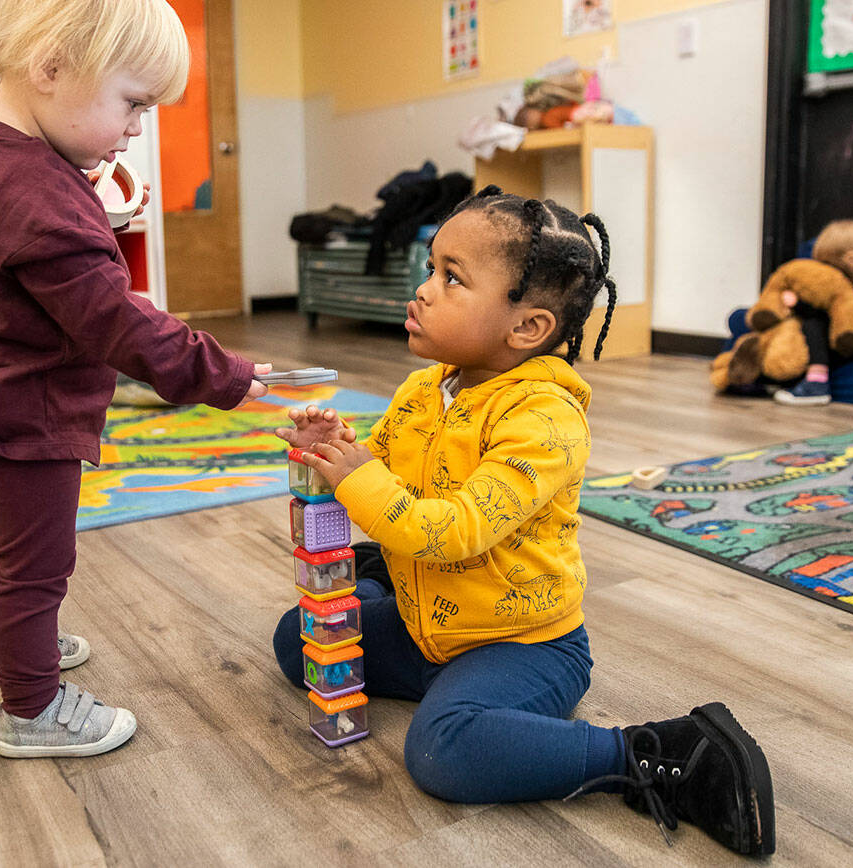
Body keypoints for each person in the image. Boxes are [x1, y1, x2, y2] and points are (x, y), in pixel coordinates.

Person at [273, 188, 775, 856]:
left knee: (443, 752)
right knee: (299, 640)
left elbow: (453, 531)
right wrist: (336, 448)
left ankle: (653, 756)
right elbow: (381, 468)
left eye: (452, 278)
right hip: (435, 628)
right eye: (431, 268)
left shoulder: (546, 420)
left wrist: (361, 480)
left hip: (526, 644)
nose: (423, 290)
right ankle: (389, 581)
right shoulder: (424, 390)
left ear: (528, 328)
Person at [0, 0, 270, 758]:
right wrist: (223, 374)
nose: (138, 126)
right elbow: (117, 321)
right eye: (133, 103)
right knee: (37, 569)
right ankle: (31, 709)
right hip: (19, 418)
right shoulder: (35, 189)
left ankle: (3, 641)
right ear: (50, 70)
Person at [774, 219, 853, 406]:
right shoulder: (846, 284)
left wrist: (798, 305)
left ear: (851, 260)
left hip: (844, 342)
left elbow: (827, 314)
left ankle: (817, 382)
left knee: (813, 324)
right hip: (829, 341)